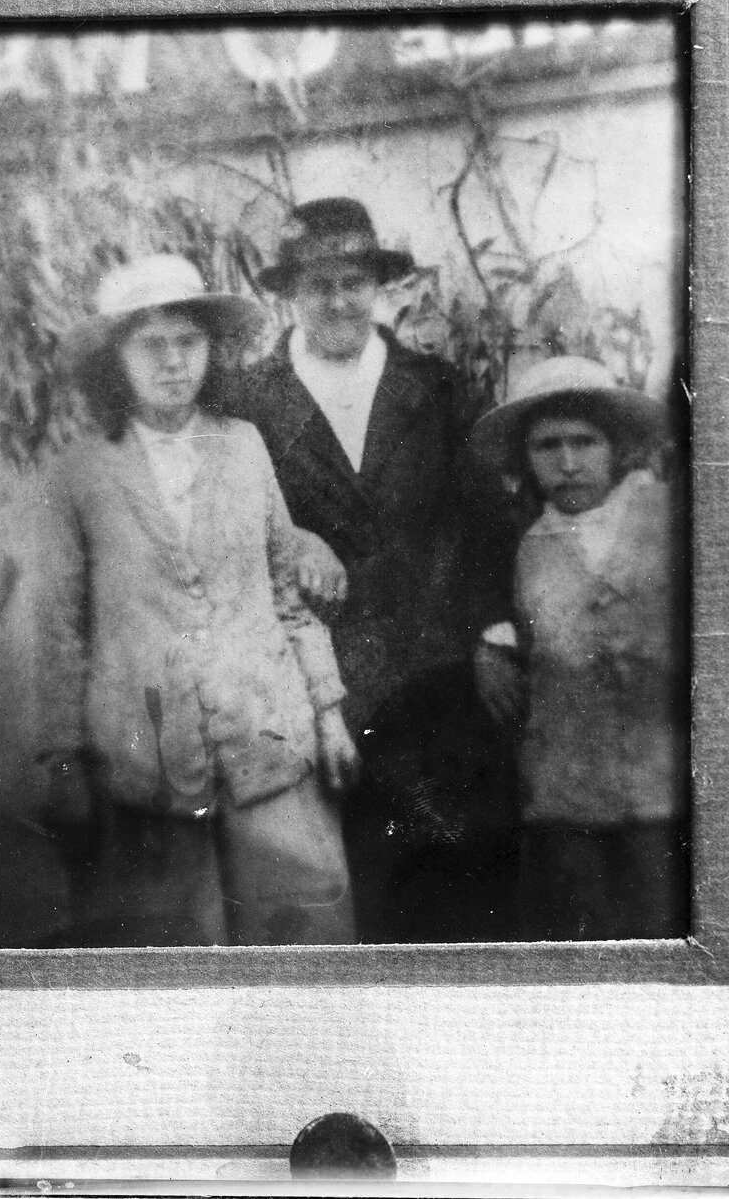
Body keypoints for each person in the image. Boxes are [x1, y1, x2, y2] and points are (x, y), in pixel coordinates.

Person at [32, 253, 359, 947]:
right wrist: (64, 759)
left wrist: (328, 714)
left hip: (269, 738)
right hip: (147, 760)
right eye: (152, 345)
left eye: (189, 342)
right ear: (115, 361)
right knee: (176, 958)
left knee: (304, 935)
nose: (174, 362)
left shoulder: (243, 447)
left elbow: (284, 591)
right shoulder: (82, 471)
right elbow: (63, 629)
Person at [220, 198, 521, 943]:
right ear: (288, 292)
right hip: (329, 691)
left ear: (378, 285)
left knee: (465, 893)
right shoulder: (248, 401)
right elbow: (231, 526)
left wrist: (492, 634)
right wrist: (290, 540)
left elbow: (488, 520)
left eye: (354, 280)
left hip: (442, 677)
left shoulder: (441, 389)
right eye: (318, 283)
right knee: (363, 900)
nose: (338, 300)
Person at [471, 356, 690, 941]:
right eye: (548, 446)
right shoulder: (530, 548)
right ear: (526, 458)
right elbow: (511, 623)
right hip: (568, 795)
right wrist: (493, 645)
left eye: (584, 442)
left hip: (662, 788)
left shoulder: (670, 517)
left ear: (616, 447)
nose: (568, 464)